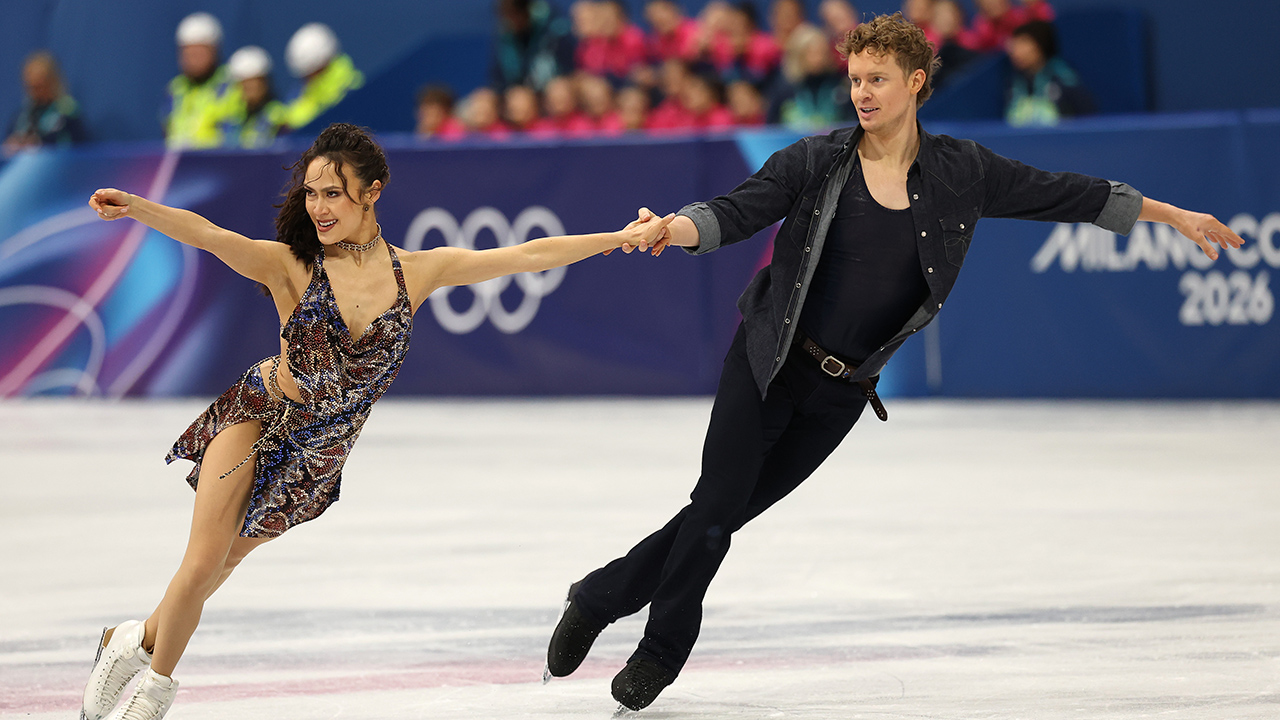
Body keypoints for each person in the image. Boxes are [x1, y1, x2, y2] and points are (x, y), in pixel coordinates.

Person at [544, 12, 1245, 713]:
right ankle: (660, 653)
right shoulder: (815, 161)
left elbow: (1068, 193)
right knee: (717, 506)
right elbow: (736, 211)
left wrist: (1172, 216)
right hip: (768, 363)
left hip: (841, 395)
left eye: (877, 79)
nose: (862, 92)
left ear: (914, 81)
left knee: (720, 514)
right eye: (855, 79)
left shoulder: (963, 173)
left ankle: (599, 595)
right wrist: (673, 228)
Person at [76, 122, 672, 720]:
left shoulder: (417, 272)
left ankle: (127, 642)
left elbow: (526, 254)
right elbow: (208, 235)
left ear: (372, 192)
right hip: (258, 417)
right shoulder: (291, 265)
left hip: (317, 455)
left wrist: (618, 237)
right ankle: (154, 693)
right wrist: (137, 207)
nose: (318, 207)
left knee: (223, 564)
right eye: (311, 194)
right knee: (203, 562)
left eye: (332, 194)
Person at [277, 23, 364, 132]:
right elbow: (297, 114)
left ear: (323, 64)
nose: (307, 79)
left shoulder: (351, 85)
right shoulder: (305, 93)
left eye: (311, 73)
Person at [1004, 20, 1093, 126]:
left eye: (1023, 43)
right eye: (1014, 45)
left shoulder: (1064, 78)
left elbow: (1088, 119)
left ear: (1040, 45)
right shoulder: (1013, 83)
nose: (1015, 51)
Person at [164, 12, 231, 149]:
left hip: (221, 160)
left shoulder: (233, 85)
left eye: (199, 52)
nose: (193, 59)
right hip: (179, 160)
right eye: (188, 53)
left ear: (214, 51)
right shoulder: (175, 89)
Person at [3, 51, 87, 155]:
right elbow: (7, 146)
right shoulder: (22, 116)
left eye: (39, 86)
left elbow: (78, 149)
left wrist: (38, 144)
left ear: (52, 82)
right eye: (30, 87)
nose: (34, 92)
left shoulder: (68, 113)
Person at [491, 0, 576, 92]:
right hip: (522, 91)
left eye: (513, 15)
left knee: (559, 89)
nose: (509, 22)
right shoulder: (506, 39)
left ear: (525, 12)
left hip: (550, 87)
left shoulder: (552, 31)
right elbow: (499, 80)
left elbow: (568, 70)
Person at [220, 46, 286, 149]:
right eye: (245, 84)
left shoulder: (277, 115)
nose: (250, 89)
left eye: (255, 82)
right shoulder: (232, 118)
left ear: (265, 83)